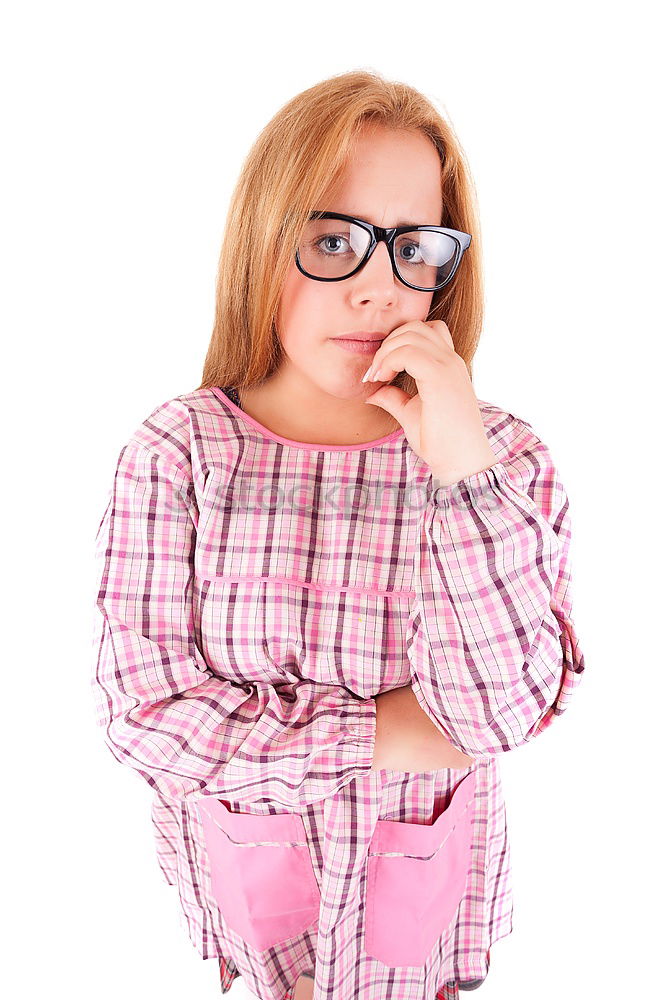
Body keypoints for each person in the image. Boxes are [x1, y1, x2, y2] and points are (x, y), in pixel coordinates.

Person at [91, 69, 586, 1000]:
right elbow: (148, 719)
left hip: (419, 915)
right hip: (257, 901)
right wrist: (382, 731)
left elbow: (496, 718)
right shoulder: (183, 449)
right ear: (263, 244)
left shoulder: (504, 460)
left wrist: (460, 469)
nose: (376, 290)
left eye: (414, 247)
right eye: (333, 241)